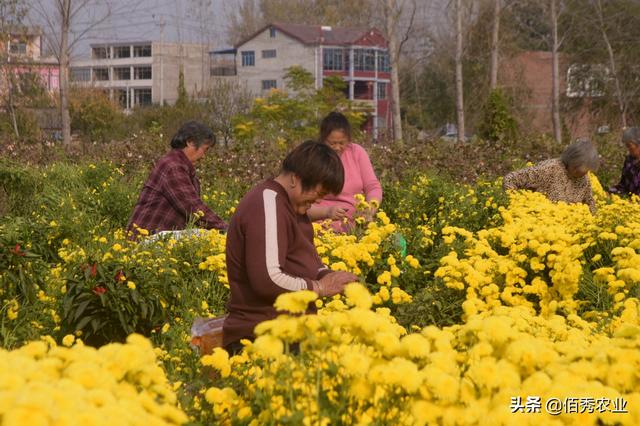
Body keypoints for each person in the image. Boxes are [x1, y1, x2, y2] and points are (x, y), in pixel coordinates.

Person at [223, 140, 358, 354]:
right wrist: (320, 288)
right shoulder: (266, 203)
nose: (317, 203)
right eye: (318, 193)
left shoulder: (292, 207)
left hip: (289, 332)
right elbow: (268, 279)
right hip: (260, 337)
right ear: (296, 178)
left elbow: (303, 262)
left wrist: (332, 277)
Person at [127, 121, 227, 238]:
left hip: (157, 239)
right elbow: (192, 207)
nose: (204, 156)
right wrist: (226, 229)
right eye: (205, 150)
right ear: (190, 142)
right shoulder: (173, 166)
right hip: (146, 240)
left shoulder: (179, 165)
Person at [307, 111, 383, 232]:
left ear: (348, 139)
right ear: (322, 140)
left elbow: (373, 187)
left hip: (354, 223)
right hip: (320, 224)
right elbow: (302, 200)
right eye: (332, 143)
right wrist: (326, 212)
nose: (337, 147)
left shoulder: (357, 152)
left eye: (342, 143)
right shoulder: (314, 156)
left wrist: (369, 210)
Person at [502, 138, 599, 213]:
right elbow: (510, 179)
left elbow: (589, 202)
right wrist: (518, 205)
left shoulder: (583, 179)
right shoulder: (549, 169)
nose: (582, 174)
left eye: (586, 171)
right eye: (579, 170)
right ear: (572, 161)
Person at [608, 127, 640, 197]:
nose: (628, 149)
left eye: (629, 146)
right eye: (626, 146)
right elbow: (623, 185)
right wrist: (611, 190)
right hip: (628, 203)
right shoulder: (629, 160)